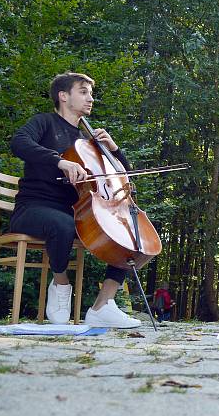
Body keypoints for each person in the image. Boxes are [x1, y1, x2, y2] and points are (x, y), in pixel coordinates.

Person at [9, 72, 141, 328]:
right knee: (62, 225)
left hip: (75, 211)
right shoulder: (44, 122)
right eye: (83, 92)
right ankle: (60, 284)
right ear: (63, 96)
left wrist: (114, 149)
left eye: (91, 93)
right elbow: (19, 143)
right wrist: (59, 160)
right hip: (34, 207)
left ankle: (103, 305)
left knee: (133, 234)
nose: (90, 98)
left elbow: (122, 176)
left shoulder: (88, 141)